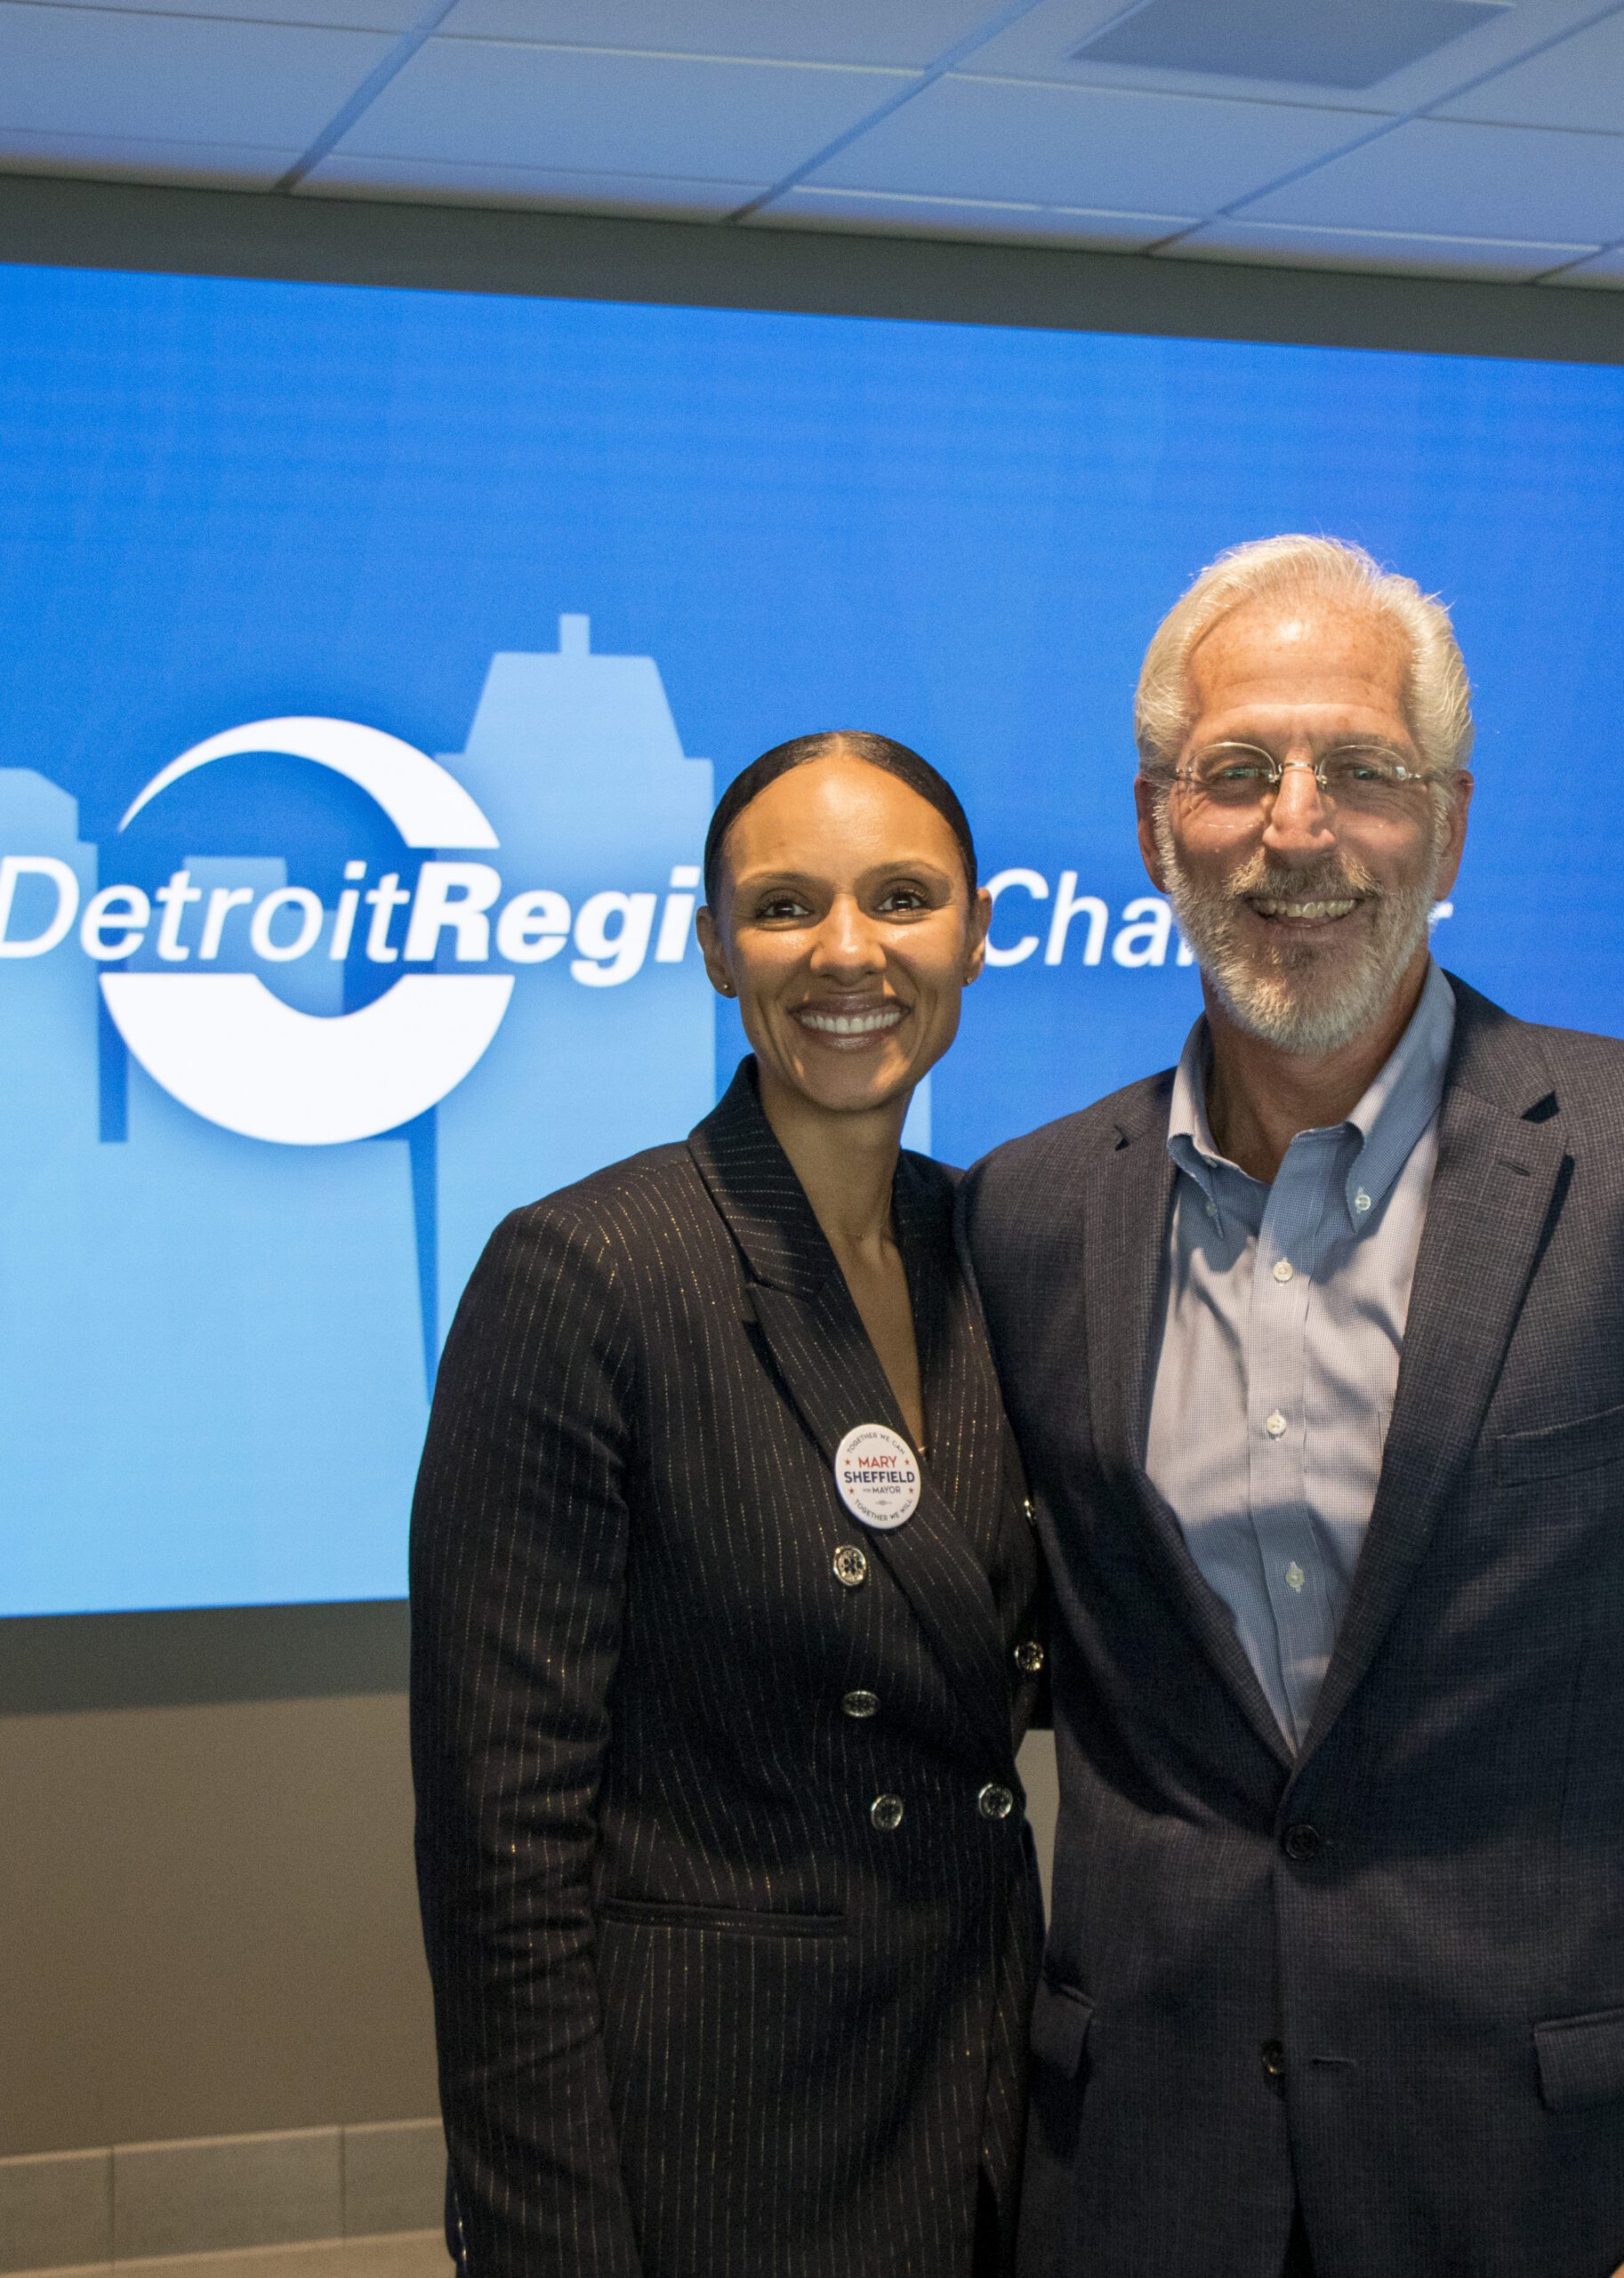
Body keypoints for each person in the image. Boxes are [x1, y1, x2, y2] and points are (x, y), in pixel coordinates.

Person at [962, 539, 1624, 2278]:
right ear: (1153, 826)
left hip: (1591, 2197)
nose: (1297, 829)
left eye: (1361, 771)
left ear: (1448, 827)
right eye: (1237, 774)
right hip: (1151, 2180)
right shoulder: (1032, 1215)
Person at [411, 731, 1044, 2278]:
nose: (847, 952)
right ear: (710, 947)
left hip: (987, 2105)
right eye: (782, 907)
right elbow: (503, 1843)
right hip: (718, 2147)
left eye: (901, 898)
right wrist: (552, 2235)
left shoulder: (1000, 1251)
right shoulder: (587, 1273)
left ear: (976, 930)